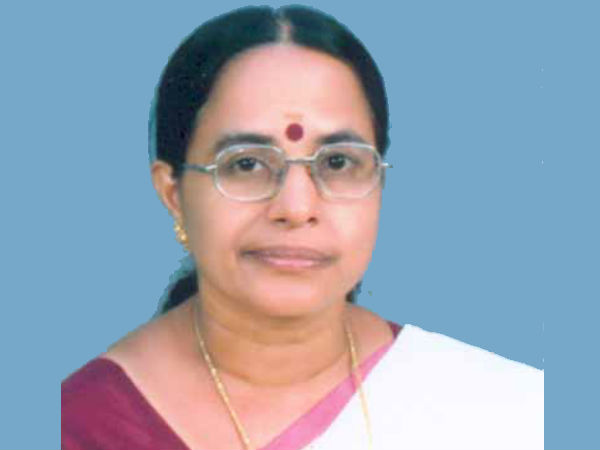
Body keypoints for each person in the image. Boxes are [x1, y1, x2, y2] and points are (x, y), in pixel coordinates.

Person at [61, 5, 543, 450]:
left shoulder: (503, 411)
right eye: (246, 164)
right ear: (174, 194)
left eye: (337, 162)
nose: (296, 207)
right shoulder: (81, 425)